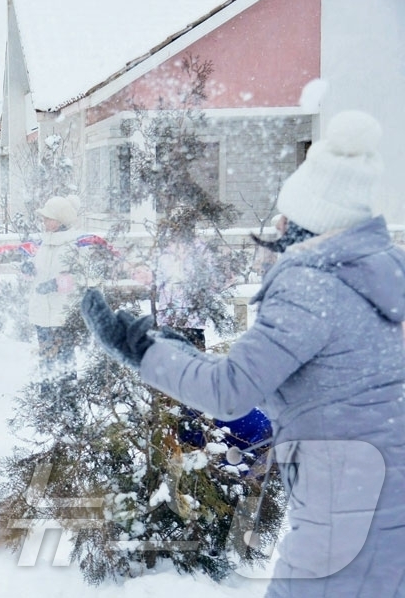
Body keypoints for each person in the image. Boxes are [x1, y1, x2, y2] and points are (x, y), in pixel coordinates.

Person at [82, 110, 405, 596]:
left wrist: (138, 347)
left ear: (309, 218)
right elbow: (316, 376)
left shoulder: (310, 286)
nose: (275, 222)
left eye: (285, 212)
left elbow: (229, 392)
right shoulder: (387, 271)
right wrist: (176, 351)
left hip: (346, 516)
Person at [27, 195, 83, 370]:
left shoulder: (74, 244)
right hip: (41, 312)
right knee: (46, 358)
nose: (44, 221)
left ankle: (67, 393)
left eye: (48, 218)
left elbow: (82, 276)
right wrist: (29, 269)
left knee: (65, 358)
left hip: (62, 314)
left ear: (60, 221)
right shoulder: (44, 243)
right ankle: (46, 393)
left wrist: (57, 284)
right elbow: (38, 271)